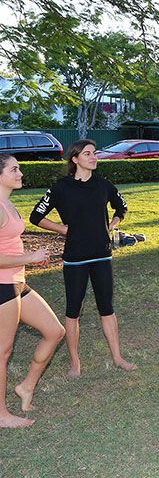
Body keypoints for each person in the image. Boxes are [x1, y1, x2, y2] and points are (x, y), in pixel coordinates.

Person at [30, 140, 136, 377]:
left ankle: (117, 357)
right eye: (87, 154)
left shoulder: (104, 185)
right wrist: (63, 229)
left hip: (101, 255)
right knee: (73, 311)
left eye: (95, 153)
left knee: (106, 308)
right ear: (75, 159)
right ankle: (75, 363)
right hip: (75, 258)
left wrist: (112, 224)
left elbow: (122, 207)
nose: (93, 157)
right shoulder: (61, 188)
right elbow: (36, 216)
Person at [0, 155, 65, 428]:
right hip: (2, 285)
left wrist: (28, 257)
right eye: (14, 169)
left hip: (17, 280)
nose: (20, 173)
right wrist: (29, 258)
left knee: (55, 331)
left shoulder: (8, 204)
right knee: (3, 352)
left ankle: (26, 386)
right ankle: (1, 415)